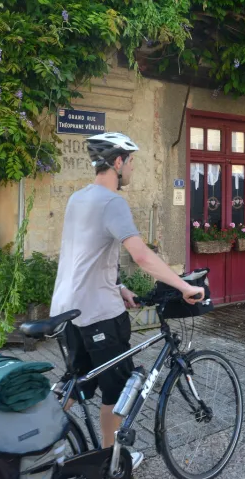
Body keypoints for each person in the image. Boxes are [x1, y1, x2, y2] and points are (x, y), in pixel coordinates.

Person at [50, 132, 205, 467]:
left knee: (76, 382)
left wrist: (118, 286)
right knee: (116, 389)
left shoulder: (78, 198)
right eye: (131, 161)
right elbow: (142, 257)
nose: (133, 167)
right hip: (98, 314)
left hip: (67, 309)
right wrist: (183, 286)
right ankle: (112, 459)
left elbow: (86, 254)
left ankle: (37, 441)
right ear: (118, 163)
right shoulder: (112, 202)